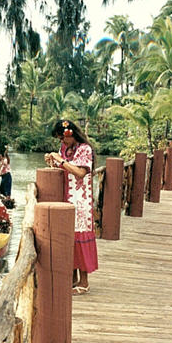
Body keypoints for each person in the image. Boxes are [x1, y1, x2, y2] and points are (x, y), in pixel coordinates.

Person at [44, 119, 98, 295]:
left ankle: (84, 281)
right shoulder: (65, 149)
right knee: (69, 237)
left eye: (63, 138)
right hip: (67, 197)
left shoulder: (85, 149)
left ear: (71, 134)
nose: (61, 142)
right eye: (59, 139)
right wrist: (52, 161)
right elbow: (64, 168)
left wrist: (60, 161)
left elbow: (80, 172)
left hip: (80, 200)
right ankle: (73, 278)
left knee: (80, 234)